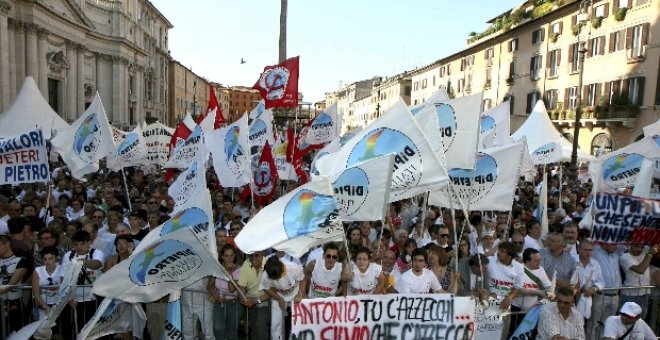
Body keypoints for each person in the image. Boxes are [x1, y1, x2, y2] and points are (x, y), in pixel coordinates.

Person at [61, 230, 104, 337]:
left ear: (88, 243)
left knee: (94, 331)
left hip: (93, 299)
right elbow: (64, 278)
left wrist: (81, 261)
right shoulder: (68, 256)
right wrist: (69, 298)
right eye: (76, 244)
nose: (79, 247)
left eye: (82, 243)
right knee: (77, 330)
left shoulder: (97, 253)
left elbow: (97, 264)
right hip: (75, 300)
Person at [261, 255, 304, 340]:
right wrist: (278, 298)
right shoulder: (266, 273)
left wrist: (300, 294)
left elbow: (302, 279)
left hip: (294, 294)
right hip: (278, 295)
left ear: (283, 268)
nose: (278, 280)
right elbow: (266, 288)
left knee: (296, 322)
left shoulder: (293, 267)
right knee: (275, 324)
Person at [208, 244, 243, 340]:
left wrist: (229, 272)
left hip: (234, 303)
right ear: (222, 257)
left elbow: (231, 289)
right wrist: (216, 297)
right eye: (226, 256)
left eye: (231, 255)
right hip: (220, 302)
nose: (229, 258)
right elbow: (210, 285)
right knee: (218, 327)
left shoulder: (239, 270)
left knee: (232, 330)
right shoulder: (216, 268)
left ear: (235, 255)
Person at [590, 242, 623, 338]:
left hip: (615, 296)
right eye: (613, 244)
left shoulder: (617, 253)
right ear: (604, 243)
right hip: (600, 294)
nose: (615, 246)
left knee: (608, 325)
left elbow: (625, 245)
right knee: (593, 324)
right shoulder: (596, 252)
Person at [0, 231, 29, 334]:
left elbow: (11, 284)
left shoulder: (20, 260)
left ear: (7, 244)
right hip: (1, 303)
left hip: (14, 304)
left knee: (15, 334)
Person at [31, 246, 63, 340]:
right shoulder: (37, 271)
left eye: (50, 258)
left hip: (59, 306)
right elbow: (36, 293)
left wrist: (58, 306)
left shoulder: (62, 269)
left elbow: (64, 289)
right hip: (43, 306)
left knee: (58, 334)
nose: (47, 261)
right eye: (45, 259)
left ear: (56, 258)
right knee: (43, 333)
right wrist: (45, 307)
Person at [238, 250, 270, 340]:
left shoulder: (269, 264)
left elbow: (272, 291)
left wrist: (256, 301)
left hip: (266, 300)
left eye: (256, 255)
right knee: (253, 328)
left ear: (262, 254)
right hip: (250, 300)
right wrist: (243, 299)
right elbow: (241, 286)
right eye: (250, 256)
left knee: (260, 326)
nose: (253, 258)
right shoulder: (246, 263)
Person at [619, 243, 658, 319]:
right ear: (630, 245)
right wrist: (649, 254)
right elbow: (640, 270)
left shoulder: (645, 250)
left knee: (641, 320)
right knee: (628, 320)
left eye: (642, 246)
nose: (640, 249)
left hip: (645, 293)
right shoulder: (624, 257)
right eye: (636, 246)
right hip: (630, 295)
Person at [487, 241, 524, 311]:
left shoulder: (519, 267)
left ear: (510, 256)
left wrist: (510, 297)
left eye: (502, 251)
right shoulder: (489, 261)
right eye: (499, 250)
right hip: (488, 301)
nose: (498, 253)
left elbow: (517, 287)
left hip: (505, 304)